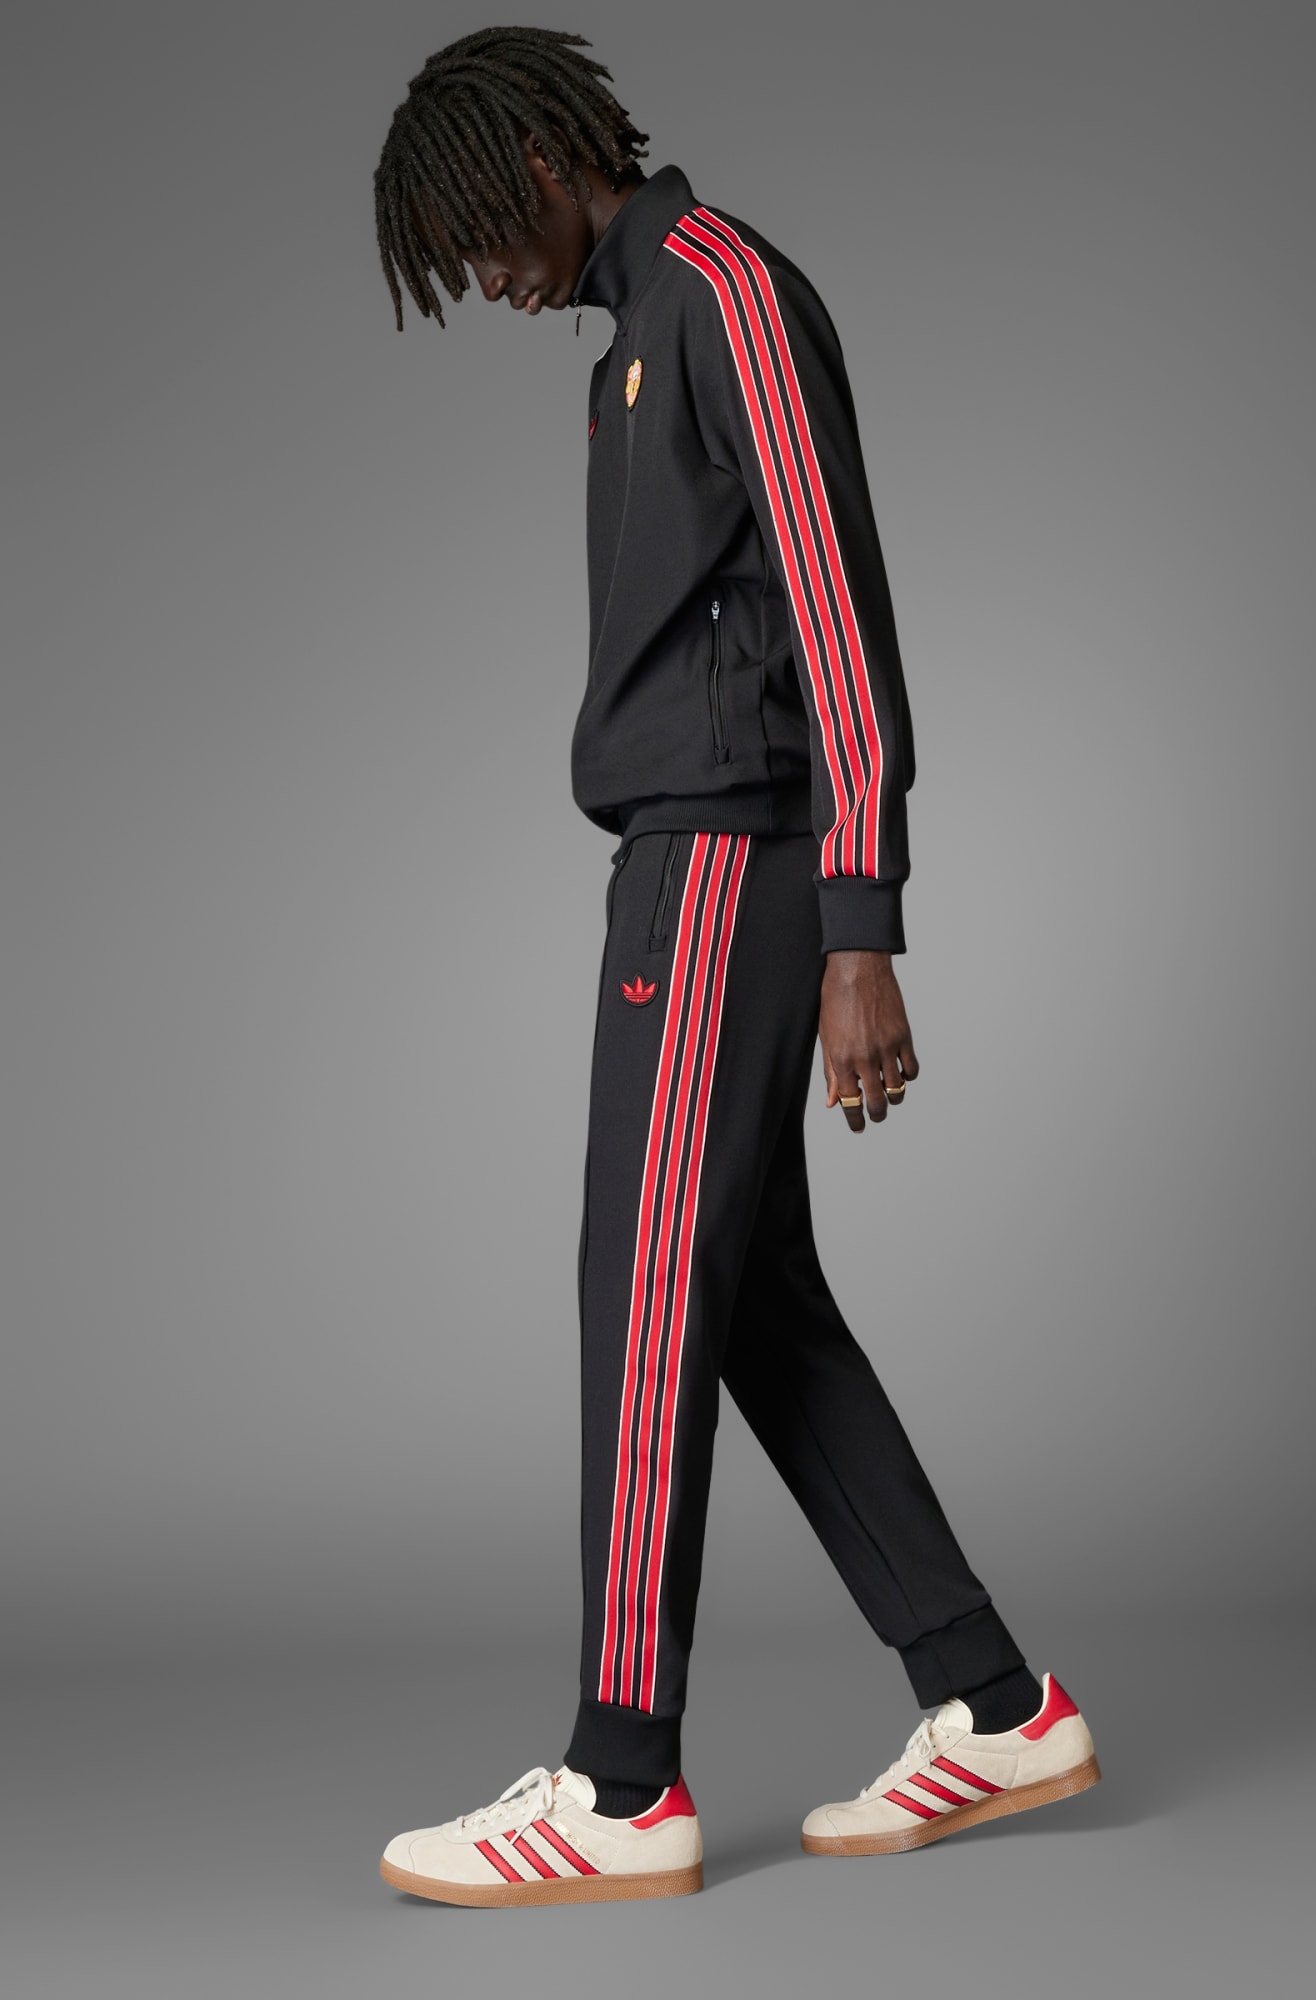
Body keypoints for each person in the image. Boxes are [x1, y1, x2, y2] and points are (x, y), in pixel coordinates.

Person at [368, 28, 1097, 1906]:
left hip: (727, 861)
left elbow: (838, 612)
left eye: (481, 235)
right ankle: (995, 1702)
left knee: (644, 1285)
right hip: (685, 854)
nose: (484, 279)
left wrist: (863, 926)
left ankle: (620, 1786)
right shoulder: (633, 337)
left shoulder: (722, 293)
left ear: (544, 161)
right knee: (747, 1293)